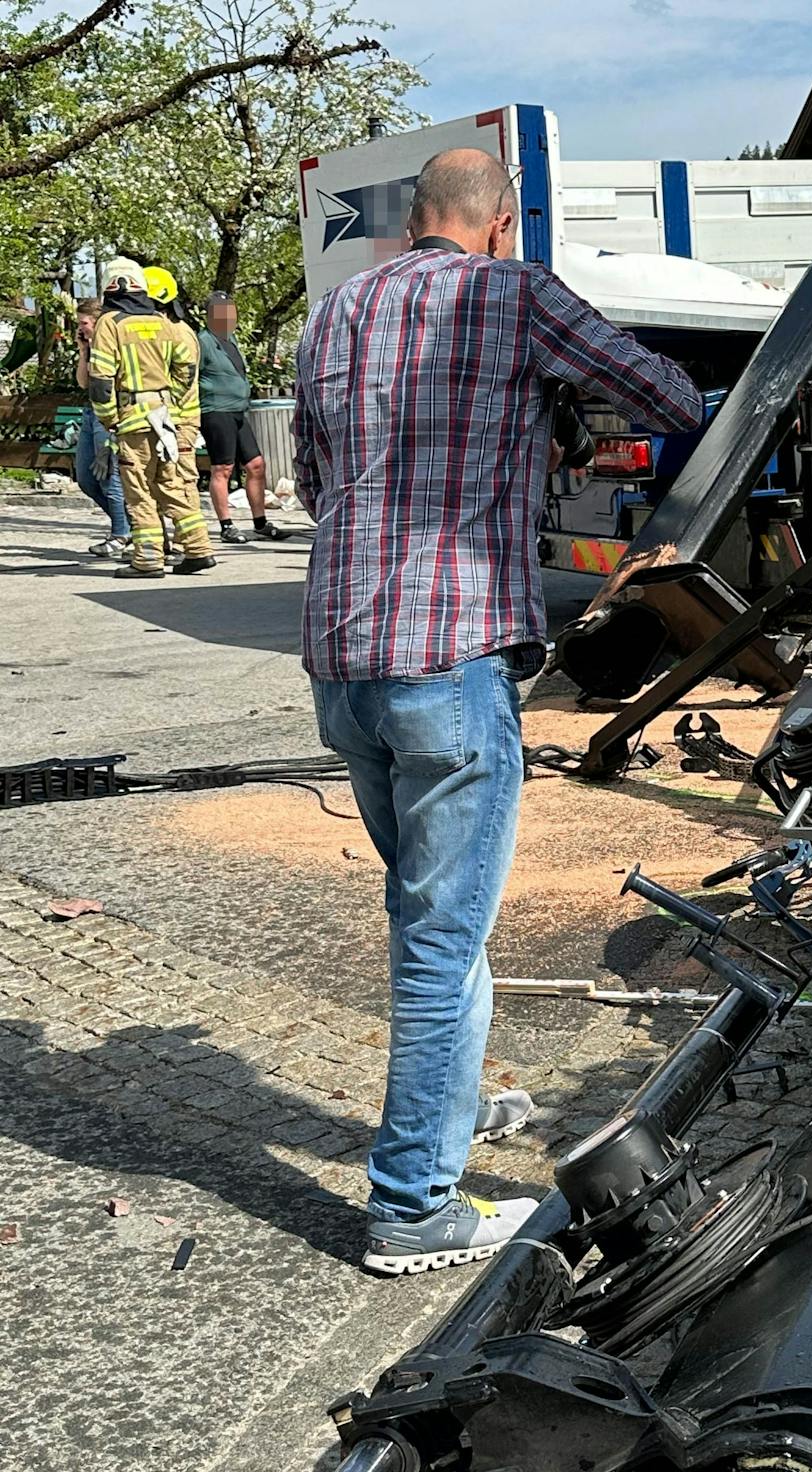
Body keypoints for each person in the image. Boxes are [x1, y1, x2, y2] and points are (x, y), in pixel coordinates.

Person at [294, 148, 703, 1275]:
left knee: (429, 912)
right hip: (449, 659)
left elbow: (317, 489)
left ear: (416, 218)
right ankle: (413, 1207)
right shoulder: (509, 291)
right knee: (441, 937)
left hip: (342, 664)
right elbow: (669, 398)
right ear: (499, 223)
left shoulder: (331, 317)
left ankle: (451, 1103)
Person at [88, 258, 213, 578]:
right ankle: (198, 548)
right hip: (165, 418)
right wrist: (165, 398)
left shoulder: (109, 323)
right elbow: (186, 368)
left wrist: (108, 419)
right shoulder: (163, 322)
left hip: (132, 420)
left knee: (139, 490)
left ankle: (147, 560)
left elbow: (101, 380)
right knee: (171, 483)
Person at [199, 292, 282, 544]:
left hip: (238, 411)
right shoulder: (202, 341)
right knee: (222, 468)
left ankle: (260, 522)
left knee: (256, 465)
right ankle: (227, 526)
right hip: (216, 411)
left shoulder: (231, 338)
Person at [145, 265, 207, 569]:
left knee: (181, 482)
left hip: (179, 421)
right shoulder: (169, 331)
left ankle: (194, 548)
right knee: (163, 484)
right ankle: (174, 545)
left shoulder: (179, 334)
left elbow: (181, 380)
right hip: (169, 419)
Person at [71, 297, 132, 560]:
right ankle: (130, 526)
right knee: (86, 478)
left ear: (97, 322)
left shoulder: (114, 345)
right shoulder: (92, 346)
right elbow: (84, 383)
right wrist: (84, 351)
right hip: (91, 413)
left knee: (111, 478)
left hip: (110, 416)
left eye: (83, 323)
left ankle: (120, 533)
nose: (80, 328)